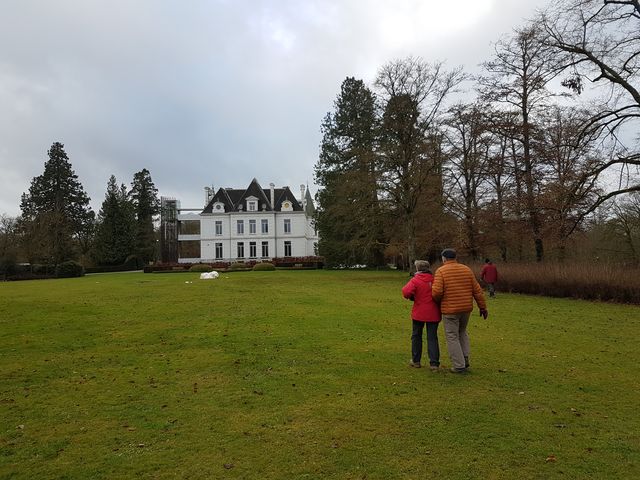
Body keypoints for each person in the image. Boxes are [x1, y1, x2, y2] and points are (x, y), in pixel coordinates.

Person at [431, 249, 487, 373]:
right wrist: (482, 307)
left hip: (450, 309)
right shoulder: (466, 270)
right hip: (466, 308)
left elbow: (437, 292)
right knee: (462, 332)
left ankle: (458, 365)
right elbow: (477, 291)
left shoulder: (441, 271)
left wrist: (438, 300)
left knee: (452, 336)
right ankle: (465, 358)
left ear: (444, 258)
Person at [402, 260, 441, 371]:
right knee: (432, 338)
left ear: (418, 269)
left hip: (419, 312)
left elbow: (405, 292)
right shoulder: (435, 280)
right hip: (433, 313)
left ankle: (416, 361)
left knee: (416, 336)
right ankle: (434, 363)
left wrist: (413, 296)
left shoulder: (415, 280)